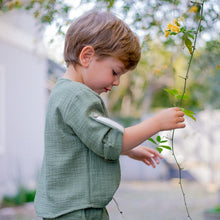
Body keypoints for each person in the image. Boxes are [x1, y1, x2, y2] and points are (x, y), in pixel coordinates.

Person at [34, 10, 185, 220]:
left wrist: (127, 150)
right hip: (79, 211)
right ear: (87, 56)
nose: (116, 82)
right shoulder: (77, 96)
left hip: (67, 207)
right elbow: (109, 142)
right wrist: (157, 123)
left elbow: (87, 141)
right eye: (115, 72)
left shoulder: (63, 91)